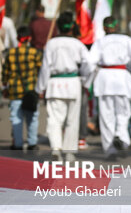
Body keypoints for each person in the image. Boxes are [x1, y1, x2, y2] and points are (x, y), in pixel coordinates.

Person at [36, 12, 92, 161]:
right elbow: (90, 65)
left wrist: (40, 88)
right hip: (73, 84)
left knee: (54, 119)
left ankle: (56, 147)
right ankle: (69, 152)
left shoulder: (51, 43)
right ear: (72, 26)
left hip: (55, 84)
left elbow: (45, 68)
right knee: (72, 119)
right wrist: (86, 82)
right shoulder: (77, 44)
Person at [89, 16, 131, 158]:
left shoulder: (100, 42)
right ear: (117, 26)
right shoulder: (126, 40)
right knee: (123, 112)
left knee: (106, 115)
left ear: (104, 28)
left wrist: (86, 81)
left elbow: (90, 62)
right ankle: (122, 139)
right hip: (122, 78)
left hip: (104, 78)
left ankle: (110, 149)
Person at [2, 27, 42, 150]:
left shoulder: (11, 53)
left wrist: (5, 86)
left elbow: (5, 73)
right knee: (32, 118)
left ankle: (18, 143)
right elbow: (41, 71)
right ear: (29, 38)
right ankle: (32, 142)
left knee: (16, 118)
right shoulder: (35, 53)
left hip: (15, 91)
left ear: (18, 38)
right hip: (31, 91)